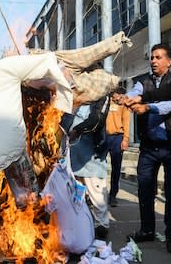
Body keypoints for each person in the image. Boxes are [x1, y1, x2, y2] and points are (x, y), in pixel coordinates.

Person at [126, 44, 171, 254]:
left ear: (169, 61)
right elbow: (135, 90)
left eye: (158, 57)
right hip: (148, 147)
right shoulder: (145, 80)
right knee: (145, 190)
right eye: (152, 57)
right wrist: (128, 98)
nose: (153, 61)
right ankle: (147, 230)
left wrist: (147, 106)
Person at [68, 95, 111, 239]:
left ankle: (101, 225)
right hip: (74, 157)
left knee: (97, 195)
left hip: (92, 157)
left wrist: (77, 130)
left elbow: (96, 121)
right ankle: (81, 224)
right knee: (76, 196)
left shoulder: (100, 98)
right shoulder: (74, 101)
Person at [104, 87, 130, 207]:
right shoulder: (104, 102)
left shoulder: (123, 105)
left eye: (117, 95)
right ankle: (97, 194)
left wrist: (125, 139)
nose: (115, 97)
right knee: (98, 166)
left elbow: (126, 121)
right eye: (113, 95)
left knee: (116, 168)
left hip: (117, 138)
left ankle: (113, 195)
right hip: (104, 137)